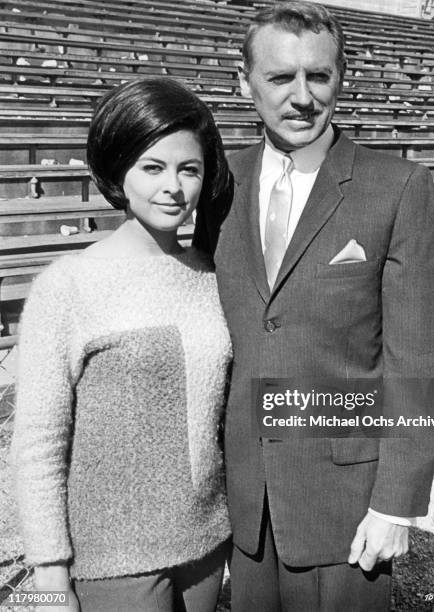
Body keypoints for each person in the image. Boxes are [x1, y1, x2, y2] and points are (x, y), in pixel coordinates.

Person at [193, 2, 434, 610]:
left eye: (319, 76)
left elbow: (419, 362)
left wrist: (396, 503)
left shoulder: (398, 188)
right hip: (247, 504)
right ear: (245, 81)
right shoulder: (217, 188)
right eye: (281, 77)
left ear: (342, 77)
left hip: (348, 507)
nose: (302, 96)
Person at [11, 77, 232, 612]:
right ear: (118, 174)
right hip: (110, 559)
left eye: (189, 169)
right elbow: (39, 441)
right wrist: (49, 572)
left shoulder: (215, 276)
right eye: (152, 167)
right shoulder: (67, 286)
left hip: (206, 543)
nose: (173, 187)